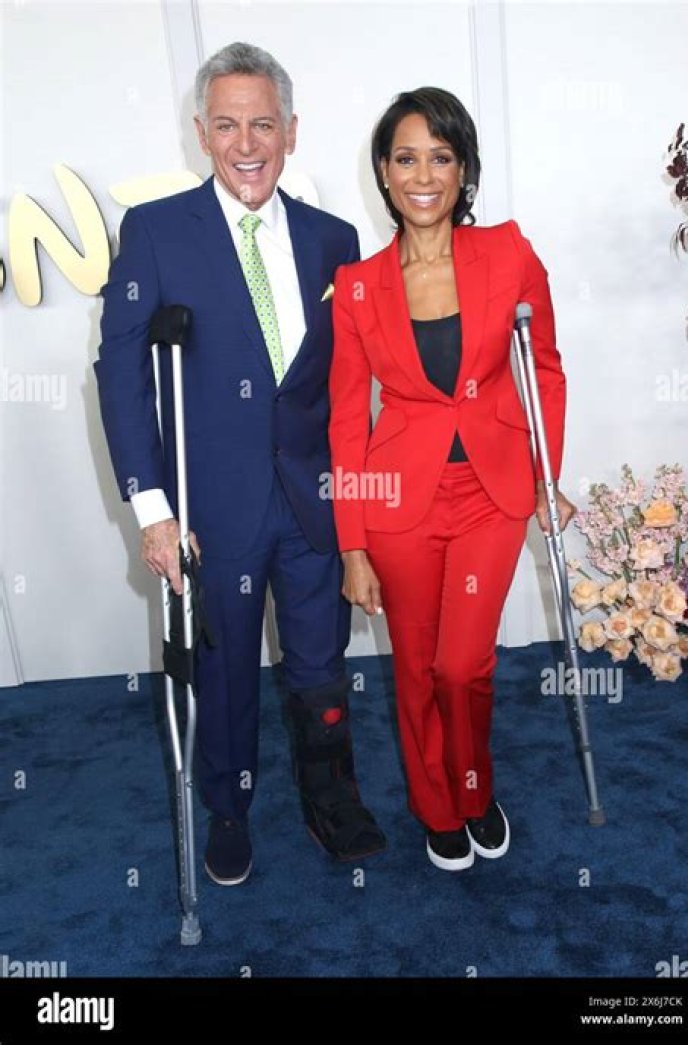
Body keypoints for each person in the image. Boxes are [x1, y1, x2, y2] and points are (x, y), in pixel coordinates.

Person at [94, 42, 385, 886]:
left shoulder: (334, 239)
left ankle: (331, 797)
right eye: (227, 125)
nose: (246, 144)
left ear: (291, 131)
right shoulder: (155, 232)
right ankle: (229, 806)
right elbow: (120, 371)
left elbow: (353, 381)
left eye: (263, 124)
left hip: (312, 499)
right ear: (201, 133)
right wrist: (153, 509)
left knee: (321, 661)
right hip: (210, 507)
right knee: (221, 672)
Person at [328, 87, 575, 871]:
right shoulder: (357, 286)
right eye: (406, 158)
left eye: (440, 157)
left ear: (463, 168)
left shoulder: (507, 251)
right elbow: (346, 421)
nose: (423, 175)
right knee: (414, 665)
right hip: (398, 502)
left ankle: (474, 788)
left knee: (461, 664)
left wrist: (545, 474)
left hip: (489, 494)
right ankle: (437, 807)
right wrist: (352, 546)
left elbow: (544, 370)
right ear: (384, 171)